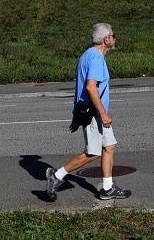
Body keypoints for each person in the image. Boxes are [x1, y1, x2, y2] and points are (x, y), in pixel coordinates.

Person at [46, 23, 131, 201]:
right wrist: (103, 114)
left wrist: (75, 116)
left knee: (109, 146)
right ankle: (57, 175)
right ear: (106, 39)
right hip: (95, 113)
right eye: (113, 35)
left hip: (94, 112)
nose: (115, 39)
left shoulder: (88, 55)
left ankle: (107, 188)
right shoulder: (95, 58)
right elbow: (90, 88)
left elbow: (79, 89)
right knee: (93, 152)